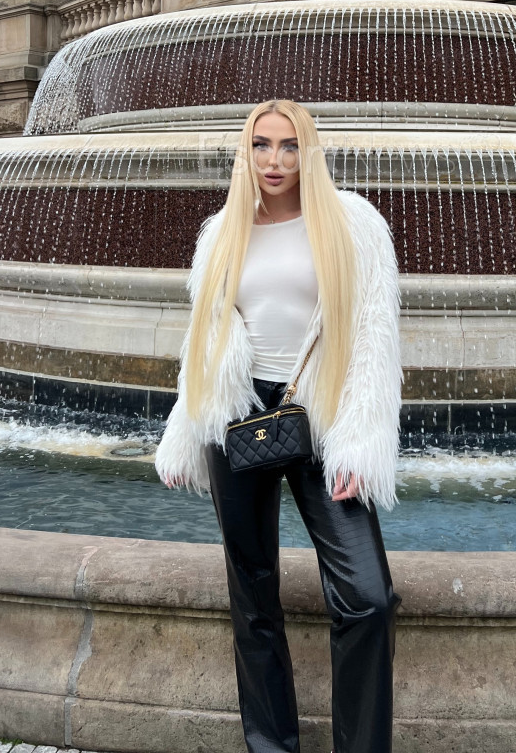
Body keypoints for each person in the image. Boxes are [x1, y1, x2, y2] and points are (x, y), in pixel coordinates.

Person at [155, 98, 403, 753]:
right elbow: (204, 339)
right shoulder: (222, 230)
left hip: (321, 414)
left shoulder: (353, 223)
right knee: (253, 595)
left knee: (368, 598)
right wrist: (185, 426)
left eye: (289, 146)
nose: (275, 159)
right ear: (246, 152)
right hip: (235, 413)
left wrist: (360, 442)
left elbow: (375, 338)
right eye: (261, 145)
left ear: (308, 152)